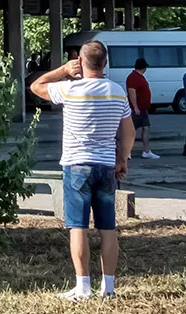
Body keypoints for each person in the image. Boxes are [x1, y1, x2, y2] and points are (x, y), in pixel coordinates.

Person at [30, 41, 134, 301]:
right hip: (106, 165)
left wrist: (63, 70)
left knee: (78, 227)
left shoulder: (71, 89)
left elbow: (35, 86)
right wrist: (122, 157)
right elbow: (129, 131)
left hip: (77, 165)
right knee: (108, 228)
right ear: (105, 63)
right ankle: (108, 288)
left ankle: (83, 286)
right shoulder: (117, 91)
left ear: (81, 62)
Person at [126, 58, 159, 159]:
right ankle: (127, 151)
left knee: (146, 128)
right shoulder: (133, 77)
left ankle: (146, 151)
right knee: (131, 131)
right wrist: (135, 107)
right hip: (137, 109)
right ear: (144, 67)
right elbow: (132, 93)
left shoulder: (140, 77)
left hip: (143, 109)